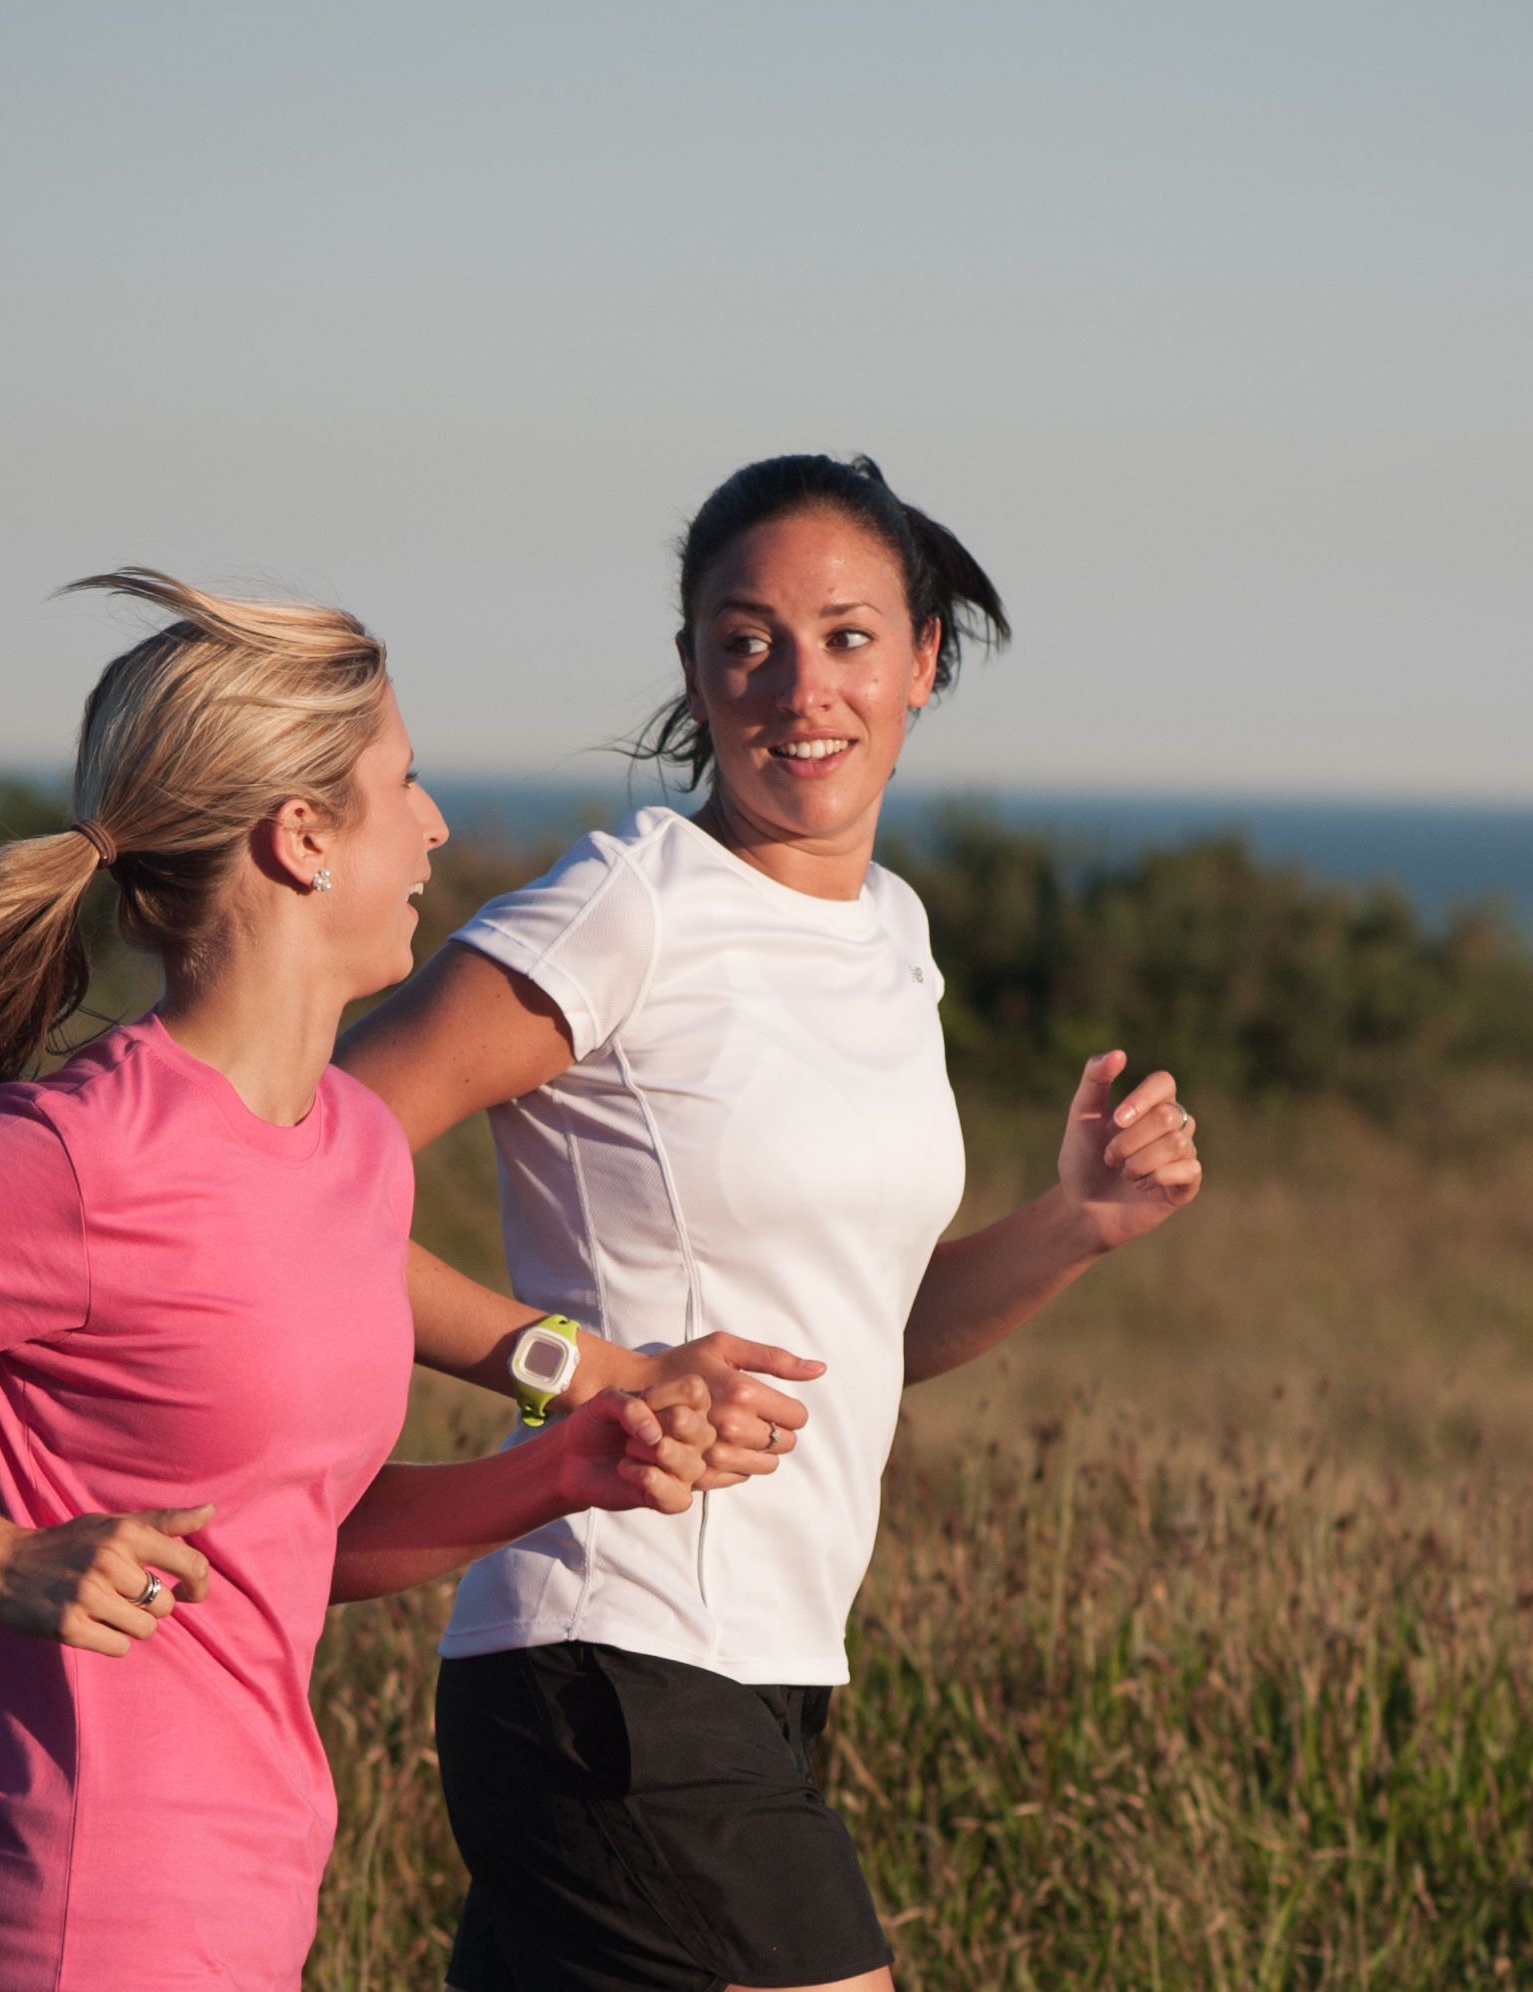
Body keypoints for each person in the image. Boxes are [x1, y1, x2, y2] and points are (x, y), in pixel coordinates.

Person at [0, 571, 717, 1992]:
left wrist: (569, 1470)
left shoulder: (354, 1151)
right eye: (409, 782)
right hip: (76, 1921)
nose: (437, 824)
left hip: (253, 1913)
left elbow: (290, 1549)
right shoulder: (74, 1153)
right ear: (302, 837)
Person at [335, 455, 1205, 1992]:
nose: (799, 687)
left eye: (849, 637)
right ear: (693, 671)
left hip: (774, 1668)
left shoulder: (893, 936)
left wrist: (1074, 1226)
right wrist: (578, 1371)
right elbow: (285, 1176)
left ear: (924, 662)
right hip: (614, 1643)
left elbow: (856, 1345)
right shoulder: (631, 906)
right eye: (747, 642)